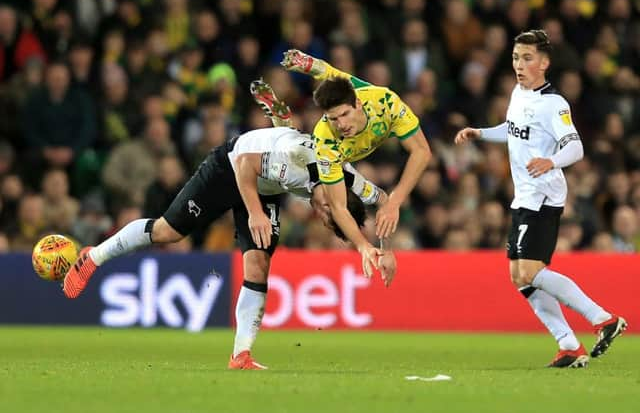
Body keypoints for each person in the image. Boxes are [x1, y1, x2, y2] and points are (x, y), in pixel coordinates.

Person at [63, 80, 396, 370]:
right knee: (169, 232)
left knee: (259, 263)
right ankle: (93, 257)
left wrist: (384, 249)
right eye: (327, 211)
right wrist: (254, 213)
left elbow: (383, 200)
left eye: (327, 218)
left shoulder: (348, 179)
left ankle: (241, 355)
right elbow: (246, 164)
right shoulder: (296, 162)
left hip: (265, 184)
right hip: (231, 166)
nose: (321, 212)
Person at [454, 29, 627, 368]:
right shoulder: (519, 93)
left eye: (527, 58)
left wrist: (552, 160)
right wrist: (481, 133)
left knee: (530, 271)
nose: (520, 64)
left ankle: (603, 319)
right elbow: (512, 129)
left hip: (544, 195)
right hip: (525, 195)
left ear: (545, 63)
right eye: (517, 57)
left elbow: (575, 146)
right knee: (519, 275)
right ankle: (569, 345)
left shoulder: (554, 104)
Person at [281, 49, 431, 277]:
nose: (341, 124)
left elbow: (421, 151)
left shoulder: (384, 101)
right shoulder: (325, 139)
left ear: (358, 105)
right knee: (302, 162)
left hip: (367, 128)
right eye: (333, 119)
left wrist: (395, 203)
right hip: (336, 158)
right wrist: (364, 246)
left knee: (338, 77)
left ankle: (306, 63)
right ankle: (283, 126)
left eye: (344, 114)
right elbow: (339, 207)